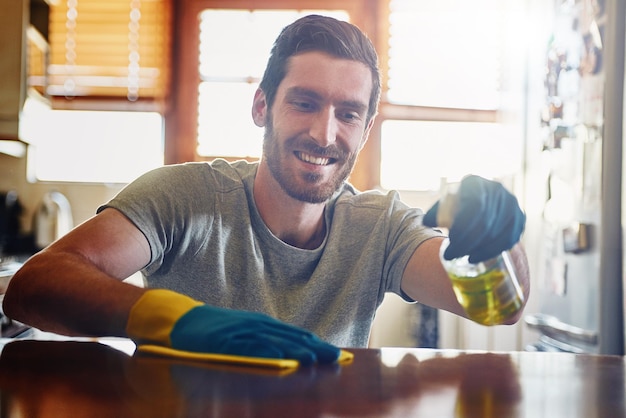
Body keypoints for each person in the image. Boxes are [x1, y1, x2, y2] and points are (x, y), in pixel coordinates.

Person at [3, 15, 529, 365]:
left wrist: (498, 242)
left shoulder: (381, 226)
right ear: (261, 106)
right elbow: (34, 286)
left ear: (366, 129)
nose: (325, 134)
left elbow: (497, 309)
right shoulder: (184, 196)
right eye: (304, 102)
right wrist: (174, 318)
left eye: (348, 114)